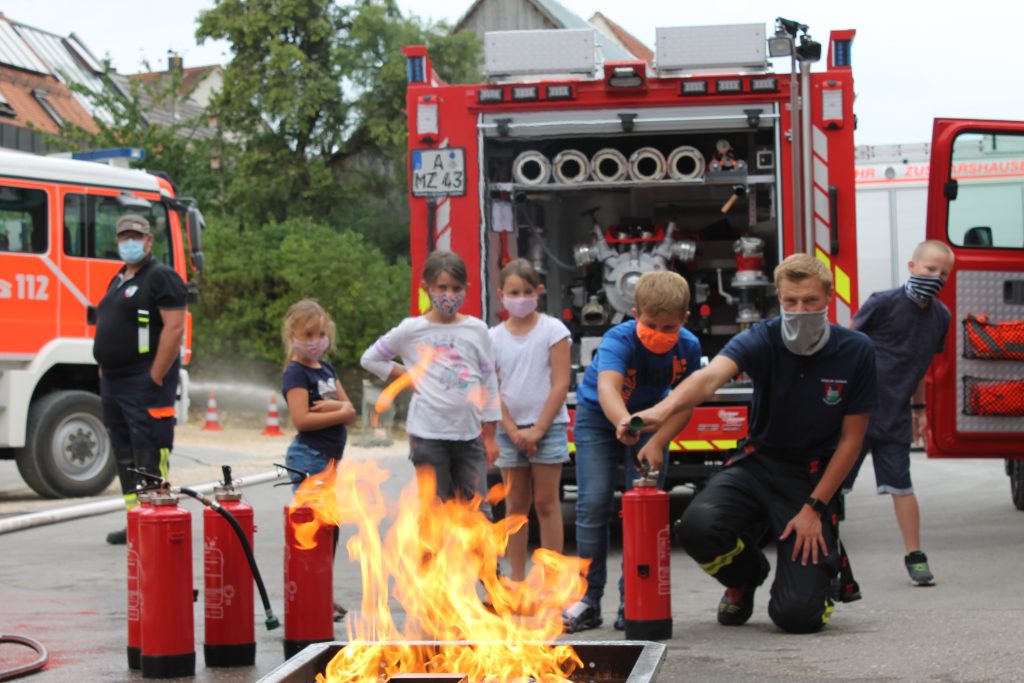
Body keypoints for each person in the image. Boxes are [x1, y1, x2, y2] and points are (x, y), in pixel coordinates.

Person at [623, 253, 877, 634]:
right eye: (790, 301)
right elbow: (709, 379)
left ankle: (816, 583)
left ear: (828, 297)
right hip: (758, 465)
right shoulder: (763, 336)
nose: (799, 310)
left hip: (810, 481)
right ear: (778, 297)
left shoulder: (857, 350)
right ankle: (745, 578)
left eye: (810, 301)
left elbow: (851, 442)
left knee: (796, 617)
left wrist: (814, 509)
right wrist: (660, 413)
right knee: (697, 526)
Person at [563, 271, 701, 633]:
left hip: (651, 425)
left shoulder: (688, 347)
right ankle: (588, 600)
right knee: (592, 504)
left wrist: (656, 441)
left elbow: (684, 404)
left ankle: (634, 600)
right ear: (635, 313)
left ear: (685, 319)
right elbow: (608, 389)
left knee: (643, 511)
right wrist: (623, 422)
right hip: (599, 418)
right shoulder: (617, 340)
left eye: (668, 327)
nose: (658, 333)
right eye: (650, 324)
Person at [842, 240, 954, 586]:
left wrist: (918, 409)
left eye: (944, 274)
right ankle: (826, 556)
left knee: (902, 486)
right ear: (911, 266)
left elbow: (920, 367)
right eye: (930, 269)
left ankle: (915, 555)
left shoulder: (941, 317)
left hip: (895, 417)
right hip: (857, 413)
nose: (936, 277)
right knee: (832, 487)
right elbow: (846, 347)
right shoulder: (883, 302)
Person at [361, 250, 501, 508]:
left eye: (456, 288)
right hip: (428, 436)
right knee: (435, 512)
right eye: (442, 287)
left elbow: (489, 379)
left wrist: (491, 435)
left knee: (477, 511)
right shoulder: (412, 330)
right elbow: (370, 358)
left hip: (469, 436)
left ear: (467, 289)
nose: (449, 295)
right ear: (426, 287)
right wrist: (406, 375)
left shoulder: (477, 330)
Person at [94, 214, 187, 545]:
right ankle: (136, 520)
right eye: (123, 237)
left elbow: (175, 328)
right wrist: (104, 364)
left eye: (136, 236)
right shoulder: (119, 278)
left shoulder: (162, 278)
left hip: (143, 381)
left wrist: (156, 373)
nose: (129, 242)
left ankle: (156, 520)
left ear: (149, 241)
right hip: (115, 381)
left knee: (149, 447)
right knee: (124, 451)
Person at [489, 259, 572, 582]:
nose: (520, 297)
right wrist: (510, 428)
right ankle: (517, 580)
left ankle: (552, 581)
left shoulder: (553, 330)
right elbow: (491, 387)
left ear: (538, 292)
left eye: (526, 291)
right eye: (513, 292)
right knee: (515, 506)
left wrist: (538, 429)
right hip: (508, 431)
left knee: (546, 503)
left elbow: (561, 382)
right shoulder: (493, 337)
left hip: (548, 429)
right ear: (501, 295)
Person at [281, 298, 357, 621]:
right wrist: (337, 411)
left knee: (329, 529)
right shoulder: (296, 374)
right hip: (309, 459)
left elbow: (351, 411)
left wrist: (331, 409)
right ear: (293, 336)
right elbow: (302, 420)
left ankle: (321, 591)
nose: (315, 341)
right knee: (314, 530)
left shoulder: (326, 369)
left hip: (327, 462)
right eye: (308, 334)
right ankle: (311, 595)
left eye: (321, 334)